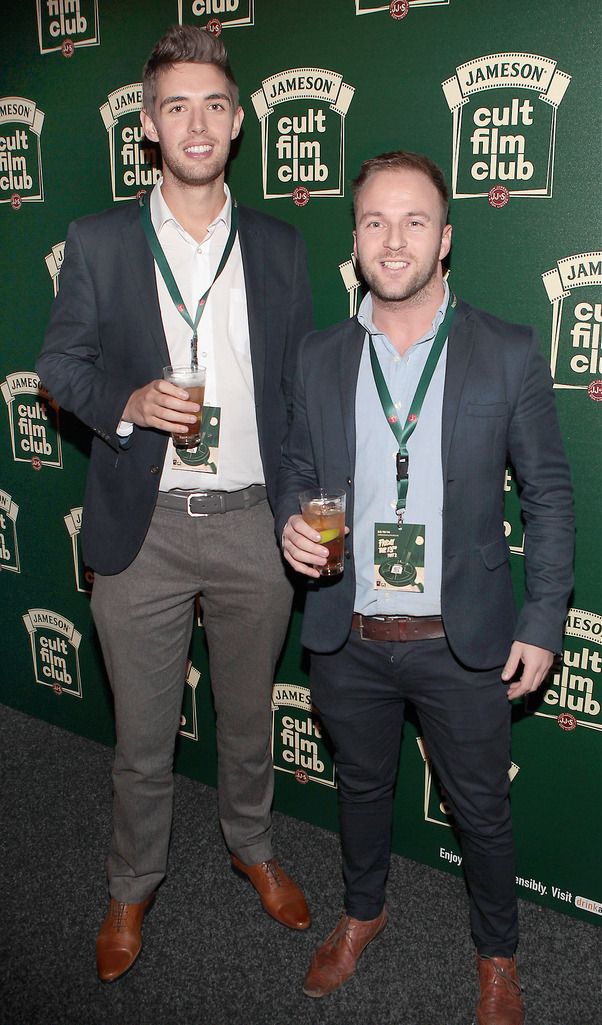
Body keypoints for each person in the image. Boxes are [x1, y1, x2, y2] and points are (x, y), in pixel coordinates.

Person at [38, 24, 313, 983]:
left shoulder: (279, 244)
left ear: (236, 122)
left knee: (246, 720)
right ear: (148, 128)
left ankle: (252, 845)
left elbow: (301, 391)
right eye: (174, 107)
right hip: (142, 527)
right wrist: (125, 403)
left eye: (213, 104)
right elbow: (57, 367)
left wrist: (310, 503)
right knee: (141, 738)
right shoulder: (100, 240)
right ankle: (131, 882)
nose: (195, 123)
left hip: (252, 523)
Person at [276, 151, 574, 1024]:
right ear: (356, 240)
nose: (393, 238)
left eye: (413, 221)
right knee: (361, 788)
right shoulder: (319, 354)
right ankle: (362, 913)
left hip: (465, 637)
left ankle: (498, 955)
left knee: (480, 810)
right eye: (374, 221)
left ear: (445, 239)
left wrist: (545, 616)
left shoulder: (509, 350)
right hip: (348, 630)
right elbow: (297, 469)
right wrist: (293, 520)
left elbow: (549, 495)